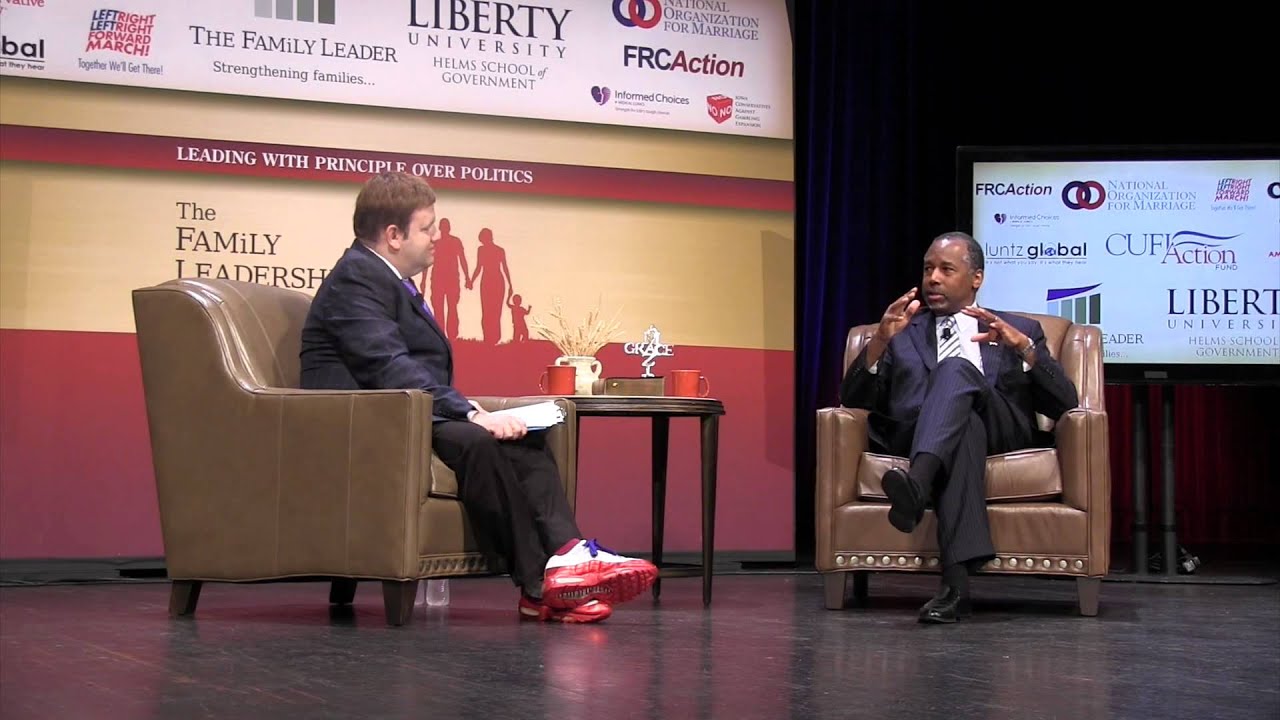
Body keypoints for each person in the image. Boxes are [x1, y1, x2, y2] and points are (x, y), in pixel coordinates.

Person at [299, 172, 657, 623]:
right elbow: (387, 366)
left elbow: (408, 373)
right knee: (478, 442)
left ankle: (569, 556)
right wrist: (469, 413)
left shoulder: (386, 279)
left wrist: (471, 411)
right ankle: (539, 586)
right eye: (428, 228)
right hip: (366, 422)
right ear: (393, 235)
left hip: (403, 410)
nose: (437, 237)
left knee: (524, 436)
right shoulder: (356, 279)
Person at [839, 231, 1079, 623]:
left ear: (976, 278)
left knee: (955, 369)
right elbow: (852, 399)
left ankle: (916, 484)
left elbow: (1066, 402)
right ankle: (954, 589)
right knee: (963, 427)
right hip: (920, 432)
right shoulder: (901, 332)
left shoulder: (1018, 329)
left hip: (1002, 432)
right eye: (927, 269)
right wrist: (880, 341)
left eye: (946, 269)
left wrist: (1023, 348)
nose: (932, 278)